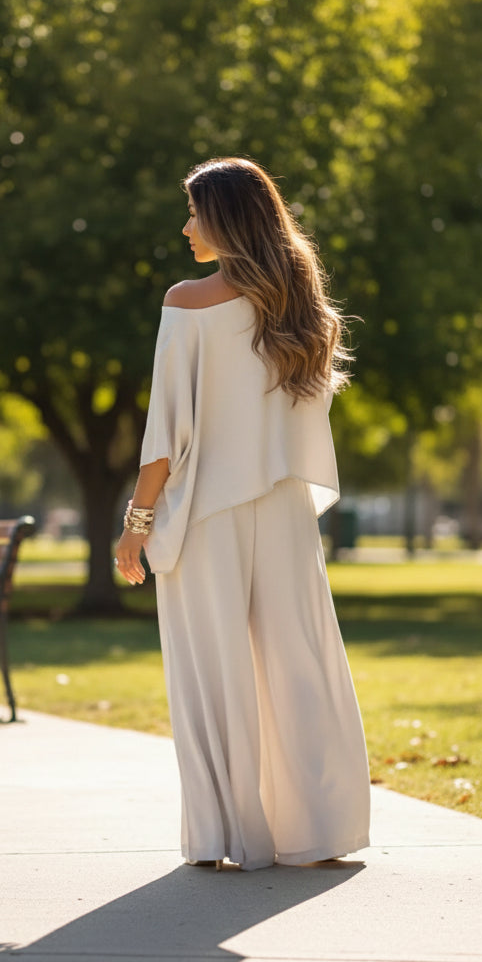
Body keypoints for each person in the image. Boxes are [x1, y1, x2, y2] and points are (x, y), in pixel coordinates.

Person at [114, 157, 371, 871]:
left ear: (225, 218)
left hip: (207, 513)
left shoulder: (186, 301)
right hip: (285, 509)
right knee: (301, 662)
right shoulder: (301, 307)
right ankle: (320, 829)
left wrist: (136, 528)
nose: (187, 225)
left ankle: (226, 835)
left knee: (211, 670)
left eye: (195, 212)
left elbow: (166, 435)